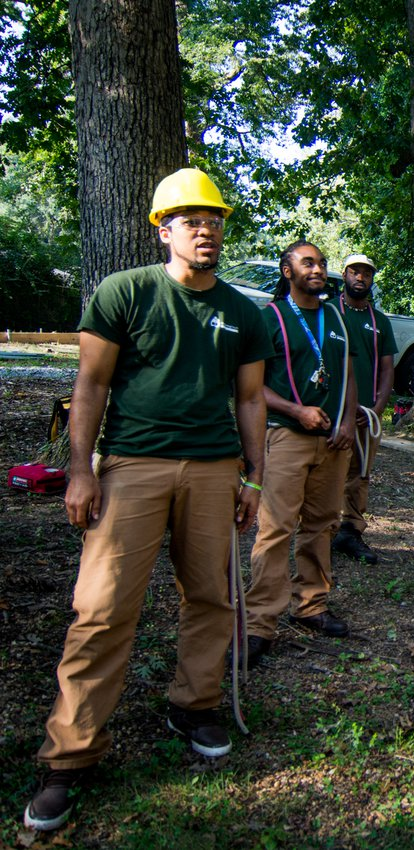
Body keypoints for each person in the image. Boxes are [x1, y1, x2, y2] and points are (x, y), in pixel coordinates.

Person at [24, 169, 272, 831]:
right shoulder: (125, 292)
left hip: (216, 470)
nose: (206, 230)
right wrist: (81, 470)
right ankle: (70, 755)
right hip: (132, 466)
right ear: (162, 229)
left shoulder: (244, 312)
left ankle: (194, 703)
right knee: (102, 610)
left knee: (212, 596)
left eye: (214, 219)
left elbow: (249, 398)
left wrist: (253, 476)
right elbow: (91, 383)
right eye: (191, 220)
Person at [244, 241, 357, 668]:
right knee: (275, 529)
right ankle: (259, 623)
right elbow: (252, 387)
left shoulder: (336, 319)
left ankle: (311, 604)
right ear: (287, 271)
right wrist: (296, 410)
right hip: (286, 436)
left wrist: (348, 421)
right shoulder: (268, 318)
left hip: (332, 442)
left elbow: (347, 374)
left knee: (322, 525)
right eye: (308, 262)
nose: (318, 268)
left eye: (322, 262)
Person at [331, 254, 398, 565]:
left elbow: (387, 368)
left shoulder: (379, 320)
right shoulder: (328, 311)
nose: (360, 278)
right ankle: (322, 530)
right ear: (345, 274)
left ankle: (350, 531)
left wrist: (377, 408)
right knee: (328, 471)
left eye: (367, 274)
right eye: (355, 272)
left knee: (360, 473)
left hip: (365, 414)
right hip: (330, 411)